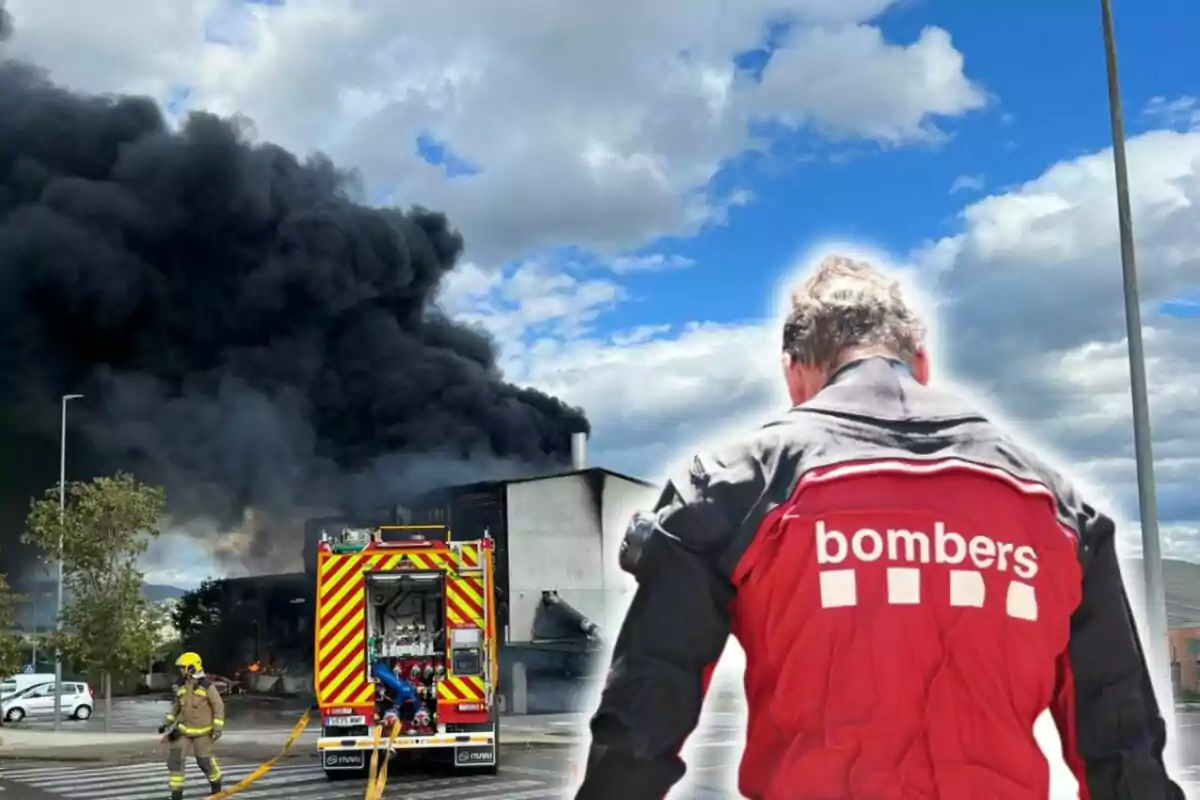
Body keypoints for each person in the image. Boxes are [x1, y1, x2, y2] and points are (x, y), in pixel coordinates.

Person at [575, 255, 1184, 800]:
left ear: (794, 374)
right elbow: (1121, 743)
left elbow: (640, 727)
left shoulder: (734, 486)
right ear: (921, 360)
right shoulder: (1058, 508)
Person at [159, 651, 225, 799]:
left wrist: (218, 727)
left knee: (203, 760)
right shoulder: (182, 687)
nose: (181, 670)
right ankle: (176, 793)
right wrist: (166, 724)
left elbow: (218, 706)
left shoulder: (207, 687)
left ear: (191, 668)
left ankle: (216, 782)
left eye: (183, 667)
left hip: (203, 733)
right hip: (183, 731)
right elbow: (176, 708)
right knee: (175, 759)